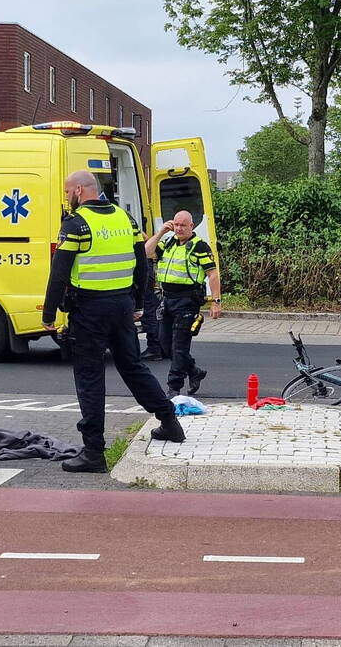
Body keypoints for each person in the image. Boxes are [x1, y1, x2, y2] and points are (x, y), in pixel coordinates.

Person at [42, 171, 184, 473]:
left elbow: (59, 273)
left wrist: (49, 314)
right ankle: (169, 420)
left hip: (89, 310)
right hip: (121, 306)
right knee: (132, 366)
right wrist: (138, 304)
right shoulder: (125, 219)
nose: (66, 197)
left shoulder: (76, 224)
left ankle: (94, 452)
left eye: (67, 191)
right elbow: (141, 263)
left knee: (90, 377)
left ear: (78, 190)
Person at [145, 210, 222, 397]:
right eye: (176, 225)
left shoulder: (199, 246)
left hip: (187, 301)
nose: (179, 229)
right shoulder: (168, 242)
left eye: (183, 225)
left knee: (179, 347)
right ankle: (194, 371)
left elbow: (213, 274)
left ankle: (174, 388)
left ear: (191, 226)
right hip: (166, 300)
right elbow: (146, 252)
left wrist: (216, 301)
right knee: (165, 346)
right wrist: (161, 232)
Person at [139, 256, 163, 360]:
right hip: (144, 264)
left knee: (148, 309)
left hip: (142, 264)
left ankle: (155, 348)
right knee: (150, 307)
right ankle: (159, 347)